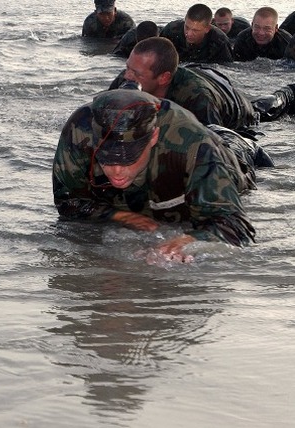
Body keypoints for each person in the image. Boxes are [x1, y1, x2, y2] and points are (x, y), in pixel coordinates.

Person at [52, 89, 261, 263]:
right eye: (106, 158)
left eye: (127, 159)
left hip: (235, 153)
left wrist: (191, 242)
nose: (116, 170)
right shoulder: (79, 130)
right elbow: (68, 201)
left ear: (153, 137)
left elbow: (237, 227)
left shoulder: (195, 146)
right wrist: (120, 217)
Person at [109, 37, 295, 131]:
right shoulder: (126, 78)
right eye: (128, 68)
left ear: (163, 78)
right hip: (195, 71)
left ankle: (289, 92)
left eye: (136, 73)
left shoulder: (198, 99)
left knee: (265, 110)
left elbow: (213, 148)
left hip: (233, 105)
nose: (127, 76)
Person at [159, 3, 233, 64]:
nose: (189, 34)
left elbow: (226, 71)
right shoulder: (171, 30)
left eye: (195, 30)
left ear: (207, 29)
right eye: (187, 27)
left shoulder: (221, 42)